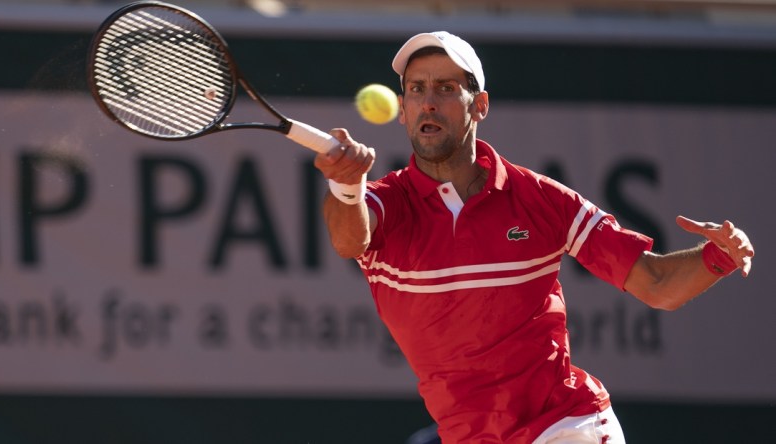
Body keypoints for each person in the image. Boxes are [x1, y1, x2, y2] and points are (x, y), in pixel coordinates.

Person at [313, 31, 755, 444]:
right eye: (417, 89)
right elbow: (350, 240)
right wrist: (347, 185)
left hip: (568, 426)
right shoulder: (384, 204)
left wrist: (717, 257)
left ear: (479, 105)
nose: (429, 102)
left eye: (447, 88)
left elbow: (656, 285)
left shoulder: (541, 199)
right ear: (402, 108)